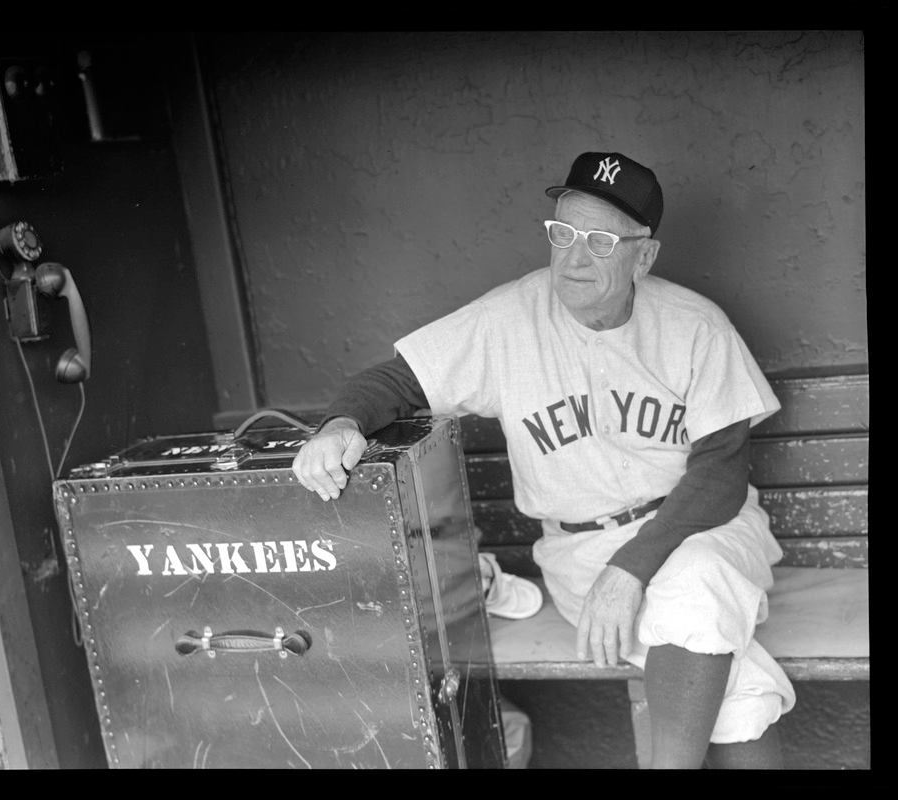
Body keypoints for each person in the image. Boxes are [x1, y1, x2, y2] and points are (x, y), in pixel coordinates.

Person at [291, 151, 795, 769]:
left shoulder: (695, 327)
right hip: (581, 556)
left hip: (709, 530)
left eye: (602, 241)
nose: (575, 258)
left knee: (698, 583)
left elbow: (721, 475)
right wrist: (340, 425)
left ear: (645, 256)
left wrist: (630, 568)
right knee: (732, 671)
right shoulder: (509, 319)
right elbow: (394, 383)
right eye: (564, 233)